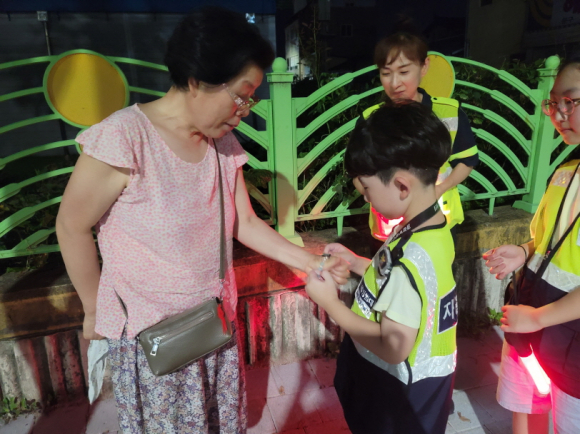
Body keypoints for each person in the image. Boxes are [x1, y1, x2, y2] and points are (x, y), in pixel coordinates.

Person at [55, 7, 347, 434]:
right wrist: (94, 309)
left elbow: (245, 222)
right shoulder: (125, 137)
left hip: (213, 327)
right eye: (241, 95)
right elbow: (71, 225)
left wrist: (312, 262)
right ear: (196, 80)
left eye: (251, 99)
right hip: (154, 343)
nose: (245, 110)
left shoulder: (221, 143)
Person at [305, 101, 458, 434]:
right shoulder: (430, 228)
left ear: (402, 185)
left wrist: (329, 303)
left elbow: (393, 346)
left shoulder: (410, 261)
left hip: (398, 399)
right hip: (419, 392)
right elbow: (397, 277)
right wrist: (356, 262)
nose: (365, 198)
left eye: (367, 188)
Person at [484, 58, 580, 434]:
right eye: (553, 103)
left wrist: (537, 318)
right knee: (527, 406)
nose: (558, 113)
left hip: (567, 340)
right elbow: (548, 241)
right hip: (532, 318)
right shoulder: (565, 170)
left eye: (570, 101)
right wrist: (525, 252)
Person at [359, 30, 479, 242]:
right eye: (386, 73)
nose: (394, 83)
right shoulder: (370, 119)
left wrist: (439, 189)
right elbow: (357, 171)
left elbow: (467, 160)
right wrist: (374, 197)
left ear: (424, 67)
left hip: (438, 219)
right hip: (388, 227)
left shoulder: (449, 113)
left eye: (404, 72)